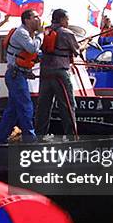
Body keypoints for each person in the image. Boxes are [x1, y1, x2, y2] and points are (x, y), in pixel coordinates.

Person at [35, 9, 89, 140]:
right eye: (67, 19)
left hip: (45, 72)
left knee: (43, 105)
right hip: (60, 72)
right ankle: (72, 137)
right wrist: (86, 43)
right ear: (61, 19)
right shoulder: (67, 33)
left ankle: (39, 136)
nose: (68, 22)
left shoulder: (45, 32)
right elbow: (77, 50)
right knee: (67, 105)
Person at [0, 9, 43, 144]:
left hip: (19, 75)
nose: (38, 19)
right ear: (27, 20)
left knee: (13, 111)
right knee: (26, 107)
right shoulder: (21, 33)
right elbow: (32, 49)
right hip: (16, 76)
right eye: (36, 17)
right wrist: (41, 34)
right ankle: (30, 141)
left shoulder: (28, 34)